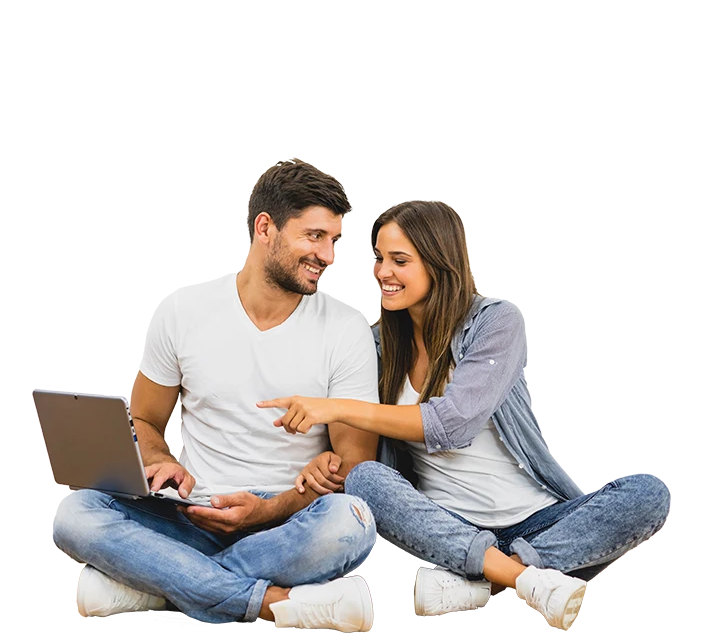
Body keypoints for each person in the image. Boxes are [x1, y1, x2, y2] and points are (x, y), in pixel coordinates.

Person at [258, 199, 672, 632]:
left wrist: (334, 407)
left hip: (535, 523)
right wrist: (321, 458)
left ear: (440, 263)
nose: (382, 272)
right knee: (365, 479)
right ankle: (522, 579)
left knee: (647, 494)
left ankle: (483, 577)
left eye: (400, 260)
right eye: (379, 258)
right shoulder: (377, 345)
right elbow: (358, 449)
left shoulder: (495, 324)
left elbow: (452, 424)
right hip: (444, 526)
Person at [52, 158, 381, 632]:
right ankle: (271, 601)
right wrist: (160, 459)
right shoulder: (185, 311)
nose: (328, 256)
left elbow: (352, 465)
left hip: (289, 520)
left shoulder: (345, 330)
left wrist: (270, 508)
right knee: (74, 513)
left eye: (334, 240)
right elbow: (144, 420)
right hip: (192, 512)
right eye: (314, 236)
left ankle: (151, 587)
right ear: (264, 227)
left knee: (352, 521)